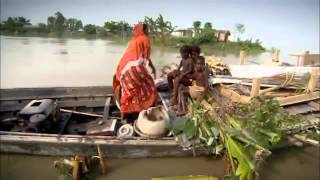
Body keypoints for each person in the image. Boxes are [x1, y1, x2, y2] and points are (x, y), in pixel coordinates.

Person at [112, 23, 157, 119]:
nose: (148, 31)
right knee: (149, 85)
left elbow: (128, 56)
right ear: (143, 30)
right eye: (147, 29)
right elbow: (145, 57)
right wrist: (152, 68)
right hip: (134, 69)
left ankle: (124, 114)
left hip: (123, 69)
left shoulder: (133, 40)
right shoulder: (144, 38)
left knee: (128, 92)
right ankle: (144, 109)